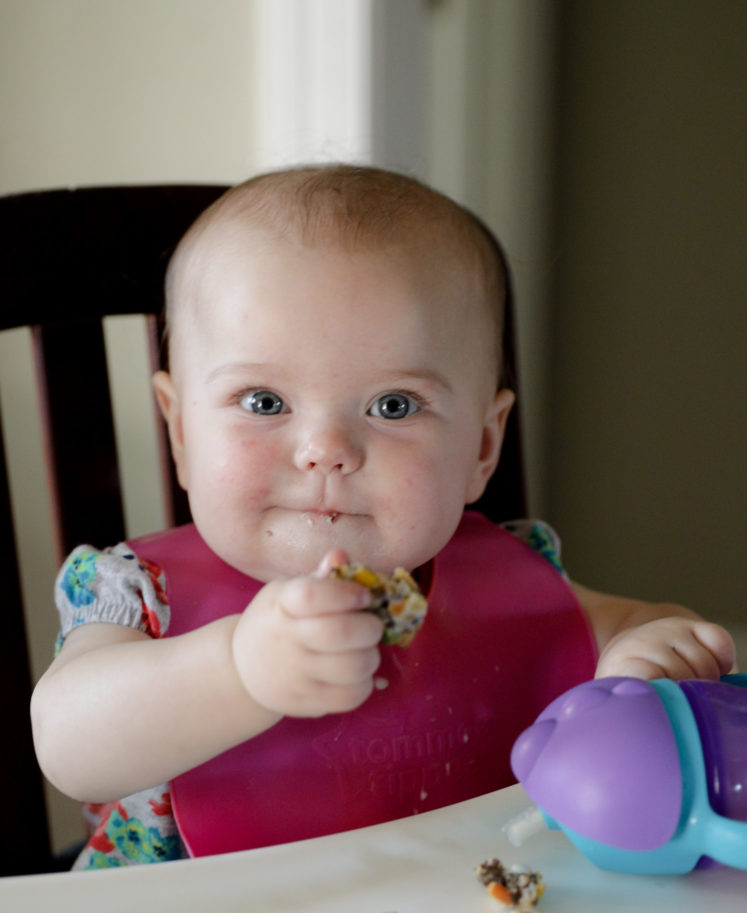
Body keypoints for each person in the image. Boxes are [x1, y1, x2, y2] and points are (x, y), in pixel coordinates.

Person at [31, 164, 736, 868]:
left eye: (393, 405)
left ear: (482, 446)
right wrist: (241, 672)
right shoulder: (136, 592)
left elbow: (631, 624)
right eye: (263, 401)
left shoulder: (510, 578)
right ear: (182, 432)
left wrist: (642, 657)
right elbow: (70, 746)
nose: (325, 451)